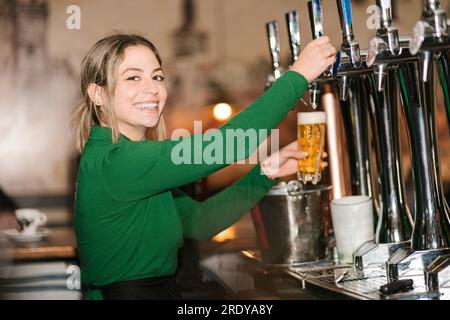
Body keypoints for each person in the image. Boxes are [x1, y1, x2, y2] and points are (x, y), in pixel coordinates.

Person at [72, 33, 336, 300]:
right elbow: (230, 144)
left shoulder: (132, 166)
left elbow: (200, 222)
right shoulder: (117, 161)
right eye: (133, 77)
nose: (152, 88)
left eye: (157, 76)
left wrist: (265, 171)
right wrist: (298, 76)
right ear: (98, 94)